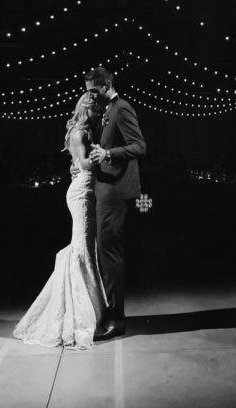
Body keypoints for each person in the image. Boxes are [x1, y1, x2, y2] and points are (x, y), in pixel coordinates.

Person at [13, 93, 108, 349]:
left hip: (83, 189)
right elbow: (84, 163)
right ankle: (78, 315)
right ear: (87, 109)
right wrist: (101, 156)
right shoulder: (80, 133)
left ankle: (87, 310)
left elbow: (77, 163)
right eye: (97, 110)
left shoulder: (83, 131)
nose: (99, 114)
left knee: (85, 249)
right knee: (82, 250)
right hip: (81, 193)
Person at [82, 66, 147, 340]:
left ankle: (116, 320)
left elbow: (139, 146)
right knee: (105, 254)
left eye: (93, 91)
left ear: (107, 85)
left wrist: (108, 154)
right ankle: (112, 314)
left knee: (109, 255)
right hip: (105, 190)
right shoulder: (106, 110)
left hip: (115, 192)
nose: (90, 96)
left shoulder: (122, 108)